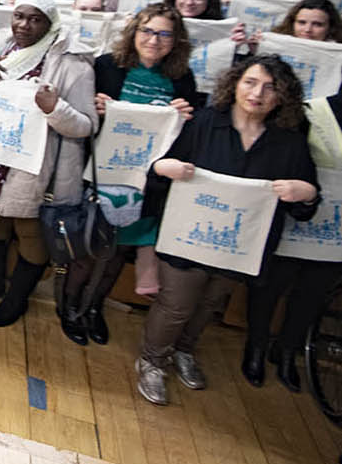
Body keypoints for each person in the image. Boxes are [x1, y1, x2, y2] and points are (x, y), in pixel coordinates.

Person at [136, 56, 318, 406]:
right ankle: (152, 360)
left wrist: (304, 192)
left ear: (283, 96)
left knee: (209, 304)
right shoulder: (206, 122)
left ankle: (184, 351)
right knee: (176, 305)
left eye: (270, 87)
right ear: (235, 83)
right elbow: (157, 169)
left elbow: (308, 201)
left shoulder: (289, 142)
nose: (258, 93)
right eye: (250, 82)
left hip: (240, 245)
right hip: (186, 237)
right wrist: (165, 166)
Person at [67, 5, 200, 346]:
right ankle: (69, 307)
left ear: (175, 40)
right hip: (99, 173)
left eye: (164, 33)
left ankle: (94, 308)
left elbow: (187, 137)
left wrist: (184, 117)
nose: (154, 40)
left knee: (117, 254)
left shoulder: (182, 78)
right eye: (147, 31)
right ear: (133, 32)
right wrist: (94, 108)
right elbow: (81, 118)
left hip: (147, 182)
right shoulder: (107, 67)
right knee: (87, 250)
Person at [0, 0, 96, 326]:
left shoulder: (72, 62)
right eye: (19, 16)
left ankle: (17, 298)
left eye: (35, 19)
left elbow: (85, 125)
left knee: (28, 230)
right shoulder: (7, 48)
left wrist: (54, 107)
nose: (24, 25)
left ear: (50, 22)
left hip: (35, 161)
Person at [242, 0, 342, 389]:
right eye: (305, 23)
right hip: (293, 209)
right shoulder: (312, 110)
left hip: (335, 228)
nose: (311, 29)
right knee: (271, 284)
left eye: (320, 24)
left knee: (313, 293)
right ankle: (255, 346)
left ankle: (287, 351)